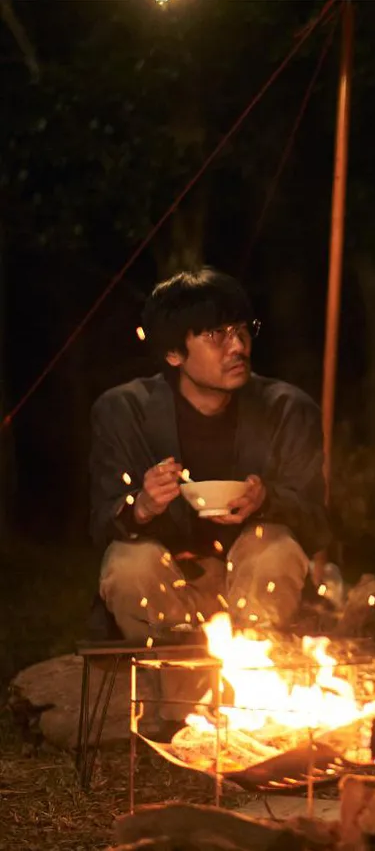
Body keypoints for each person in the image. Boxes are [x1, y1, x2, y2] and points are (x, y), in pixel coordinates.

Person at [89, 268, 330, 719]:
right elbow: (102, 522)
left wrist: (267, 499)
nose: (237, 347)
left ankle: (253, 706)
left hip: (256, 584)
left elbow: (317, 522)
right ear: (174, 352)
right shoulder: (124, 411)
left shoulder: (287, 409)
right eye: (217, 335)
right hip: (171, 584)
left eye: (242, 330)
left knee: (271, 547)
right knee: (128, 563)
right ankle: (189, 713)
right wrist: (140, 506)